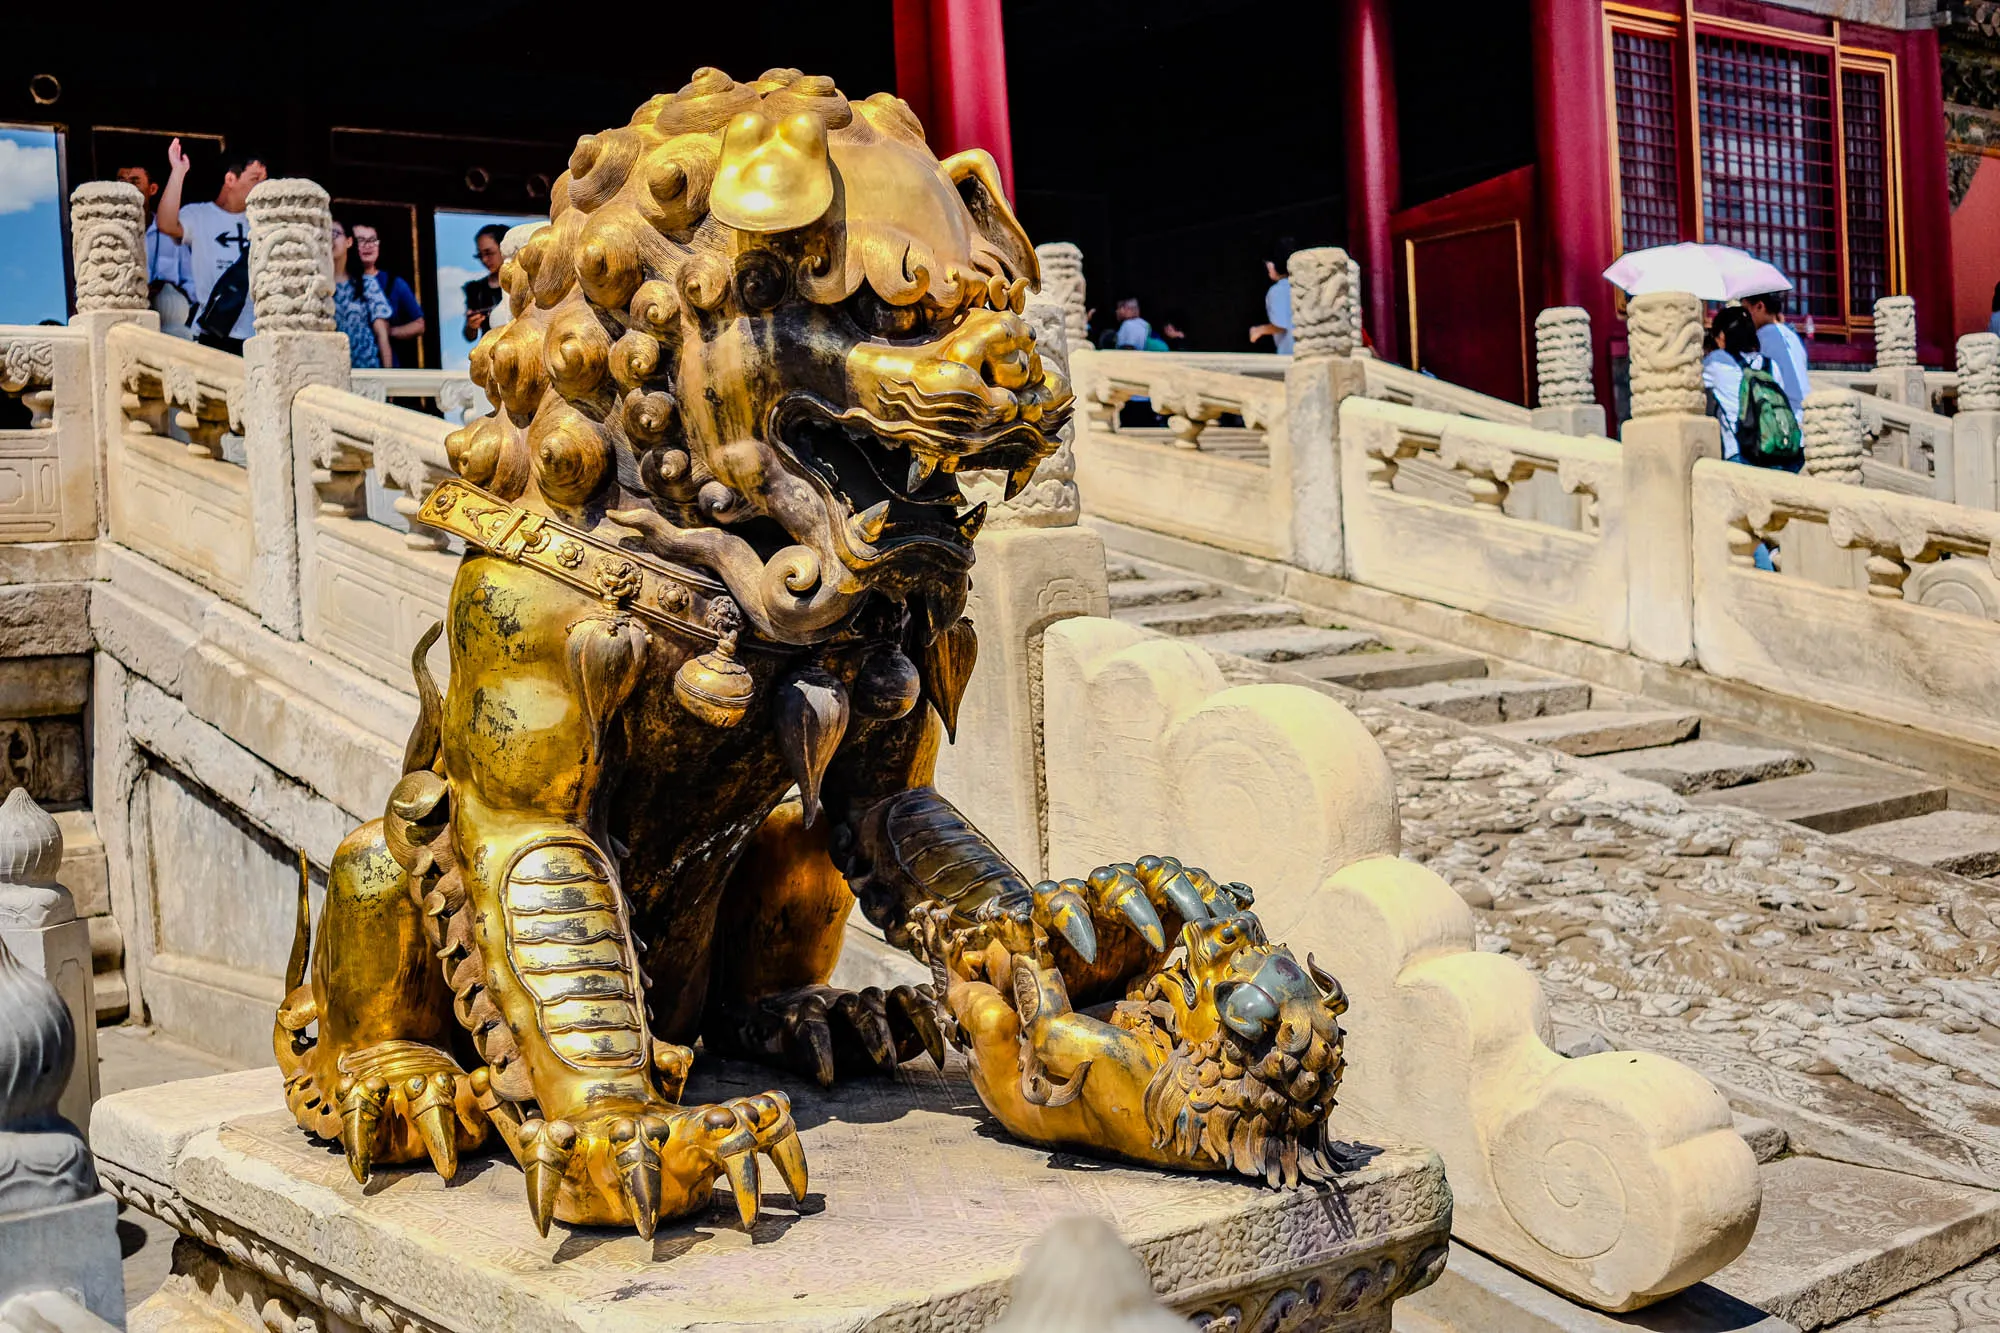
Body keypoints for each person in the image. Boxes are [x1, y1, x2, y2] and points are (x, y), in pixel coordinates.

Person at [158, 139, 268, 354]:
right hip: (212, 331)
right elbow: (166, 224)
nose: (261, 187)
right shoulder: (199, 216)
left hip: (255, 333)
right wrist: (178, 172)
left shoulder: (264, 223)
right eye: (255, 179)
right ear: (230, 178)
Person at [114, 161, 195, 338]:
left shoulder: (170, 232)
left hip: (168, 330)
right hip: (126, 327)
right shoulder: (109, 234)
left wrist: (167, 288)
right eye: (121, 181)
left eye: (135, 182)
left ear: (152, 189)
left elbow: (192, 285)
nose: (127, 188)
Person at [352, 224, 426, 367]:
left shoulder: (395, 283)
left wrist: (389, 331)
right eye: (361, 240)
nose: (368, 246)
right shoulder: (342, 281)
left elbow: (419, 325)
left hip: (385, 366)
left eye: (373, 240)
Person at [330, 220, 393, 369]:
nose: (329, 239)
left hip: (367, 373)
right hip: (332, 374)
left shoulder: (367, 284)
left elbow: (382, 335)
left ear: (349, 241)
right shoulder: (317, 287)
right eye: (324, 235)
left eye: (335, 233)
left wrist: (388, 381)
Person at [1742, 290, 1810, 413]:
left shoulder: (1762, 338)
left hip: (1780, 416)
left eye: (1746, 310)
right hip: (1801, 413)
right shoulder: (1792, 336)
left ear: (1759, 306)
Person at [462, 224, 510, 342]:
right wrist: (471, 325)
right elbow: (470, 336)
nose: (484, 260)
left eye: (489, 253)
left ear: (504, 248)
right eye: (480, 255)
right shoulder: (475, 289)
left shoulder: (522, 283)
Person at [1249, 244, 1293, 353]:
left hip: (1290, 355)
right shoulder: (1303, 286)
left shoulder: (1278, 291)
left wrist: (1258, 330)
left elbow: (1281, 325)